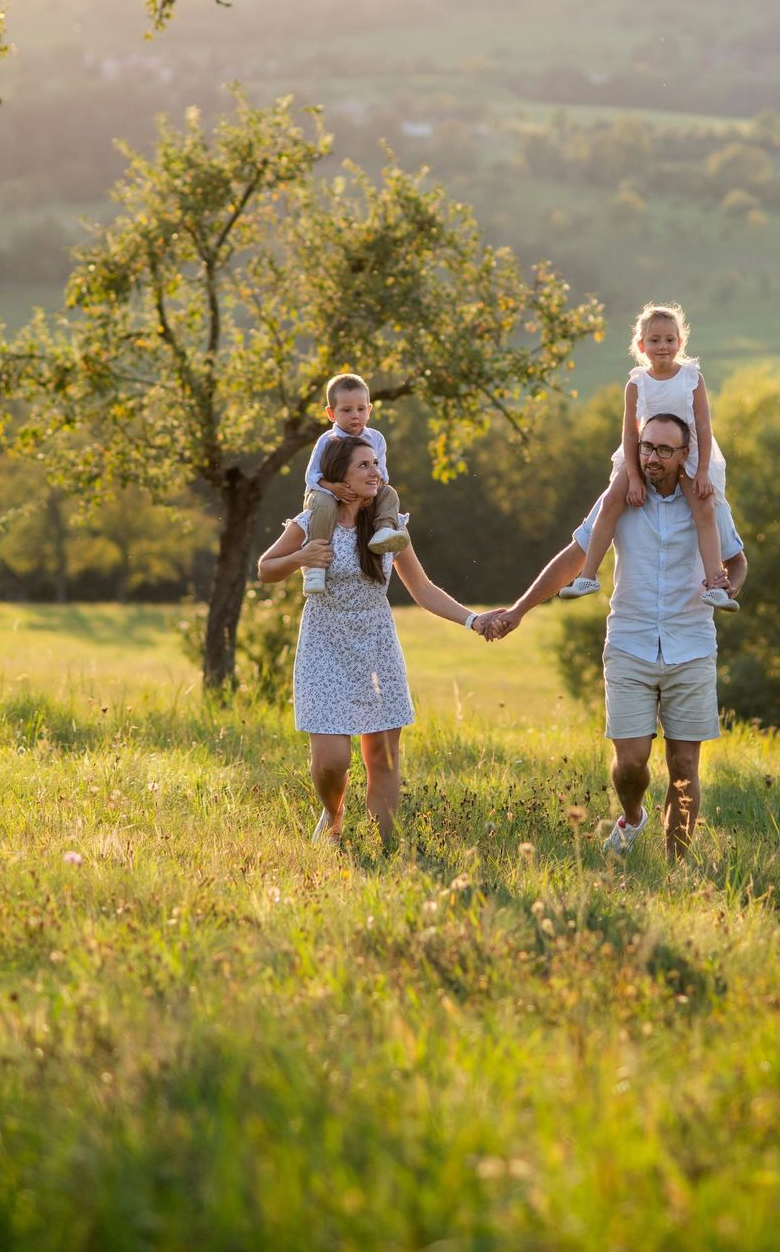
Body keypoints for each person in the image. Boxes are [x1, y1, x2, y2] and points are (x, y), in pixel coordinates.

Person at [480, 413, 747, 862]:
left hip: (692, 644)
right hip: (629, 643)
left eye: (665, 449)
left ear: (685, 455)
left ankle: (676, 867)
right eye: (646, 447)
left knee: (684, 765)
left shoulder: (707, 503)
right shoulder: (619, 499)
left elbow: (737, 560)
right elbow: (573, 557)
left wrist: (729, 585)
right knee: (630, 763)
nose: (652, 457)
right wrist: (520, 610)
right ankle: (634, 817)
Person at [259, 433, 486, 845]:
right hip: (324, 647)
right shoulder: (311, 522)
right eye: (363, 466)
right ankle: (333, 815)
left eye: (376, 464)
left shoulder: (388, 527)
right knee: (332, 763)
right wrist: (300, 558)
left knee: (381, 756)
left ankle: (388, 847)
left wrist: (473, 620)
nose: (375, 472)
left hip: (376, 648)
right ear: (338, 476)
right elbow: (265, 568)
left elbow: (423, 589)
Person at [559, 301, 738, 612]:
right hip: (646, 452)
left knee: (704, 508)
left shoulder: (692, 379)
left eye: (670, 340)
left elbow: (704, 427)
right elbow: (630, 433)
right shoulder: (636, 383)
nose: (663, 347)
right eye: (654, 341)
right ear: (641, 345)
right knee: (612, 500)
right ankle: (588, 576)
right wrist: (633, 477)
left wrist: (704, 470)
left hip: (689, 451)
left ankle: (715, 584)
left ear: (680, 343)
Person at [299, 371, 410, 597]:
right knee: (325, 505)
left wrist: (374, 489)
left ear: (369, 410)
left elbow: (382, 474)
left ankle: (384, 531)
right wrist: (333, 488)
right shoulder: (327, 441)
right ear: (331, 413)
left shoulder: (376, 438)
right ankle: (316, 569)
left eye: (361, 409)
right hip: (325, 493)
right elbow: (312, 477)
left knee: (389, 493)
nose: (355, 416)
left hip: (364, 493)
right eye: (346, 410)